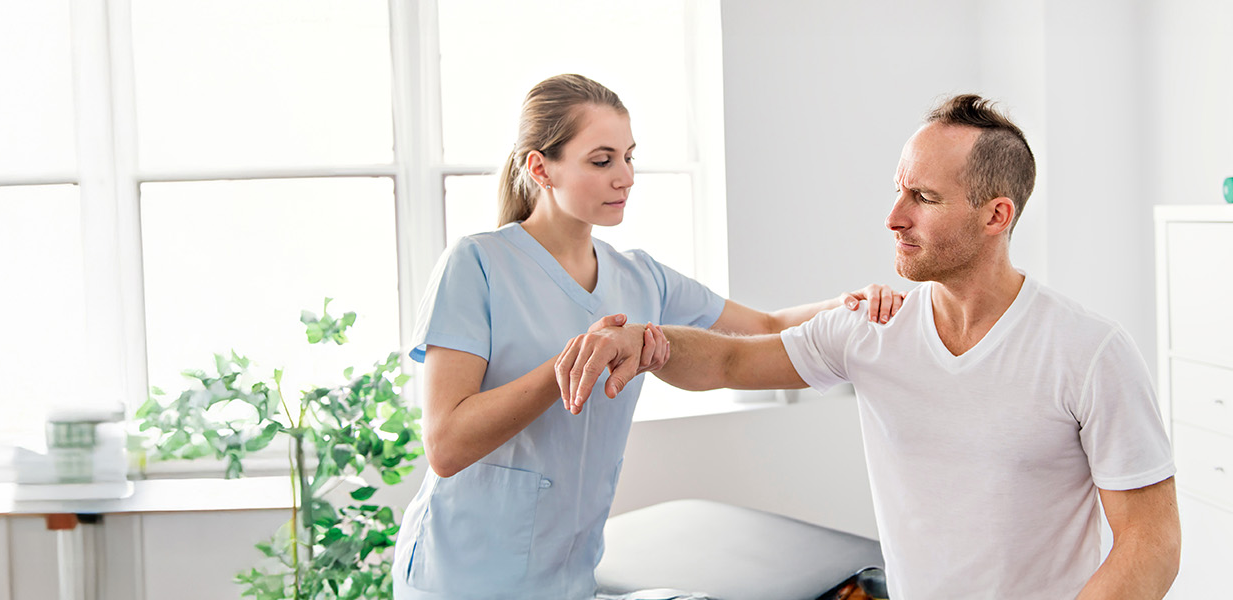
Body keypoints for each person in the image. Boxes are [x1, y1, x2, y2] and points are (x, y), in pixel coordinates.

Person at [557, 94, 1181, 599]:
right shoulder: (871, 328)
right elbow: (730, 359)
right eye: (899, 189)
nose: (893, 217)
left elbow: (1152, 544)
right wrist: (646, 344)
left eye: (924, 198)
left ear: (996, 216)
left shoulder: (1088, 351)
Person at [392, 74, 908, 600]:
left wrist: (852, 305)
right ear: (540, 167)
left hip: (567, 579)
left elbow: (768, 328)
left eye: (629, 157)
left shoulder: (641, 278)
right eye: (602, 160)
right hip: (459, 575)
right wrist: (570, 365)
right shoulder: (477, 264)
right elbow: (446, 446)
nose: (626, 177)